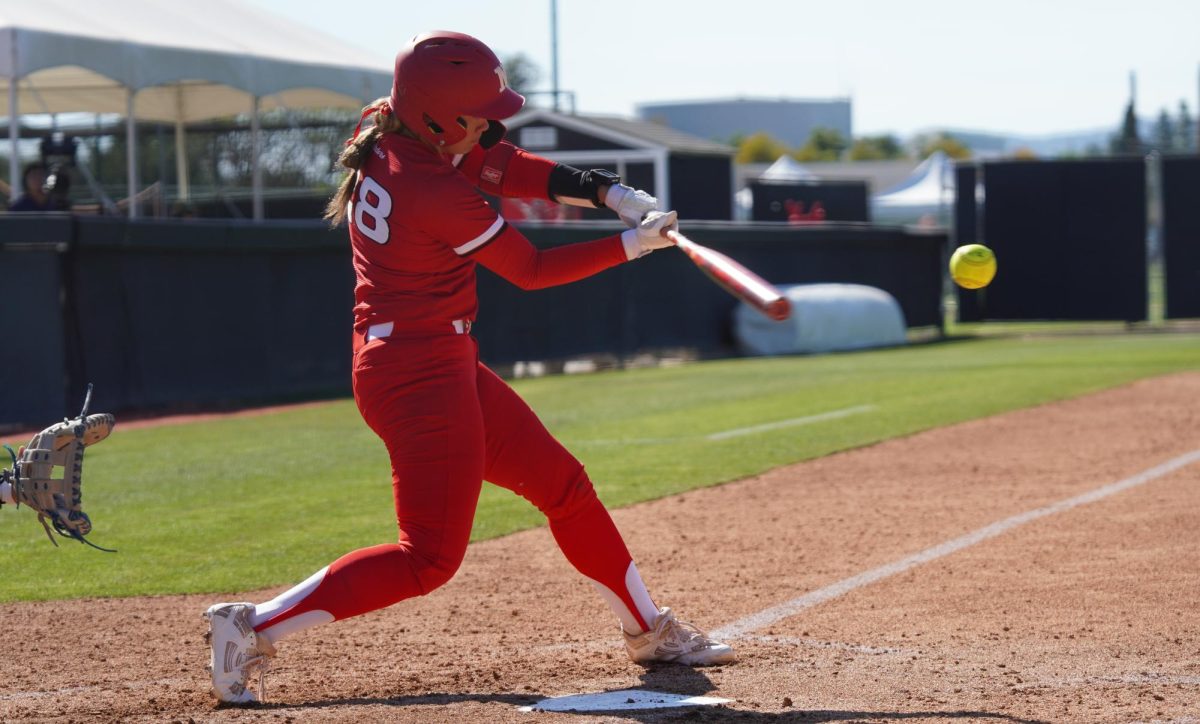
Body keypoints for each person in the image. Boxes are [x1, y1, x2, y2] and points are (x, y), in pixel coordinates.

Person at [203, 30, 734, 705]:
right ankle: (251, 626)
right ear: (438, 115)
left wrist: (605, 192)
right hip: (418, 374)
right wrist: (632, 244)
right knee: (427, 559)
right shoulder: (423, 181)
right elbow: (531, 269)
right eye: (477, 113)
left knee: (563, 485)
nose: (488, 123)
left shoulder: (398, 133)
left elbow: (504, 164)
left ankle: (648, 631)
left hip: (431, 358)